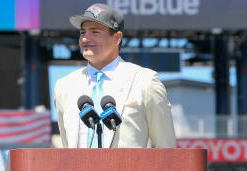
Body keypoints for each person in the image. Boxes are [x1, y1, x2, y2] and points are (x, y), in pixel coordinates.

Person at [54, 3, 176, 148]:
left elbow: (167, 149)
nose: (85, 39)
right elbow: (66, 148)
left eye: (95, 32)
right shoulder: (64, 86)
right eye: (82, 32)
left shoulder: (144, 81)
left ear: (117, 38)